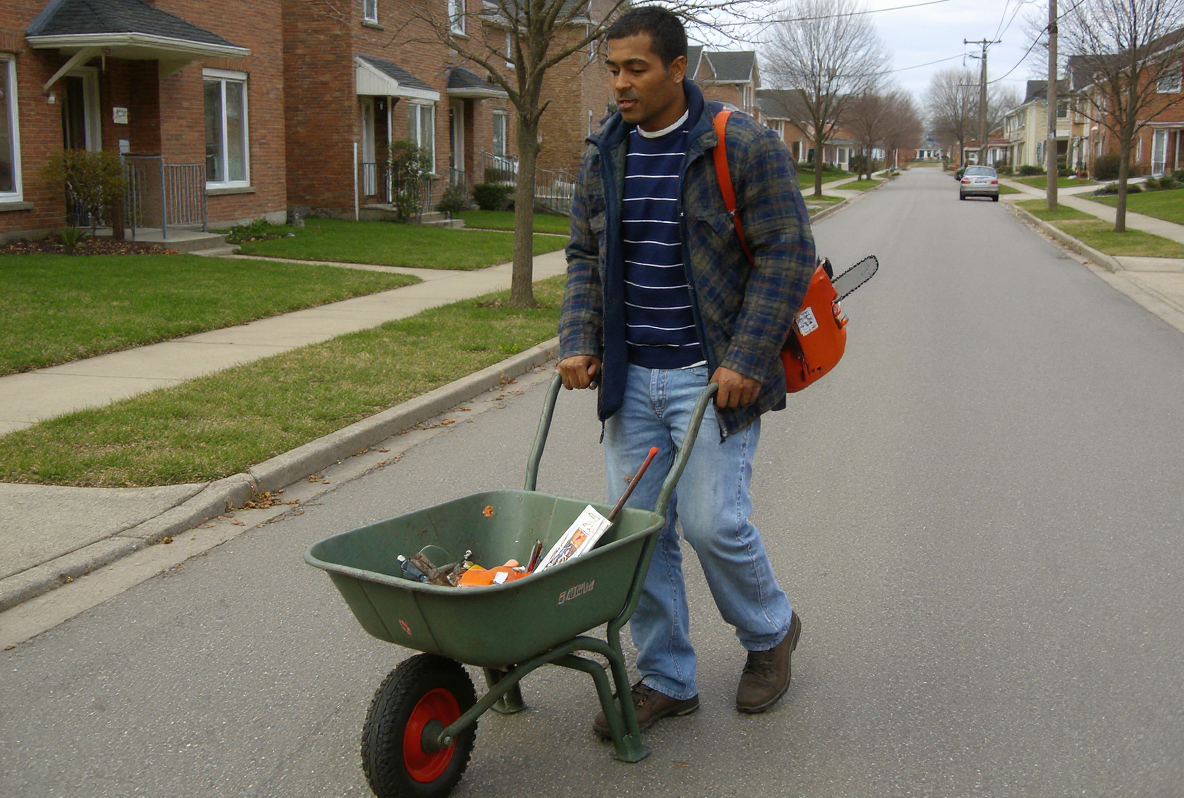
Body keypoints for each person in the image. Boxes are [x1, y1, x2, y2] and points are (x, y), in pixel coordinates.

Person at [558, 6, 817, 735]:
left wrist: (745, 356)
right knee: (638, 536)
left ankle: (770, 634)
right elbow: (583, 254)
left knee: (712, 525)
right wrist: (579, 336)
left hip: (713, 377)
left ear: (678, 68)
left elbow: (788, 254)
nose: (619, 85)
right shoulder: (605, 151)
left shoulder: (743, 144)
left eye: (635, 68)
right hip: (629, 379)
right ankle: (667, 675)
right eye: (611, 69)